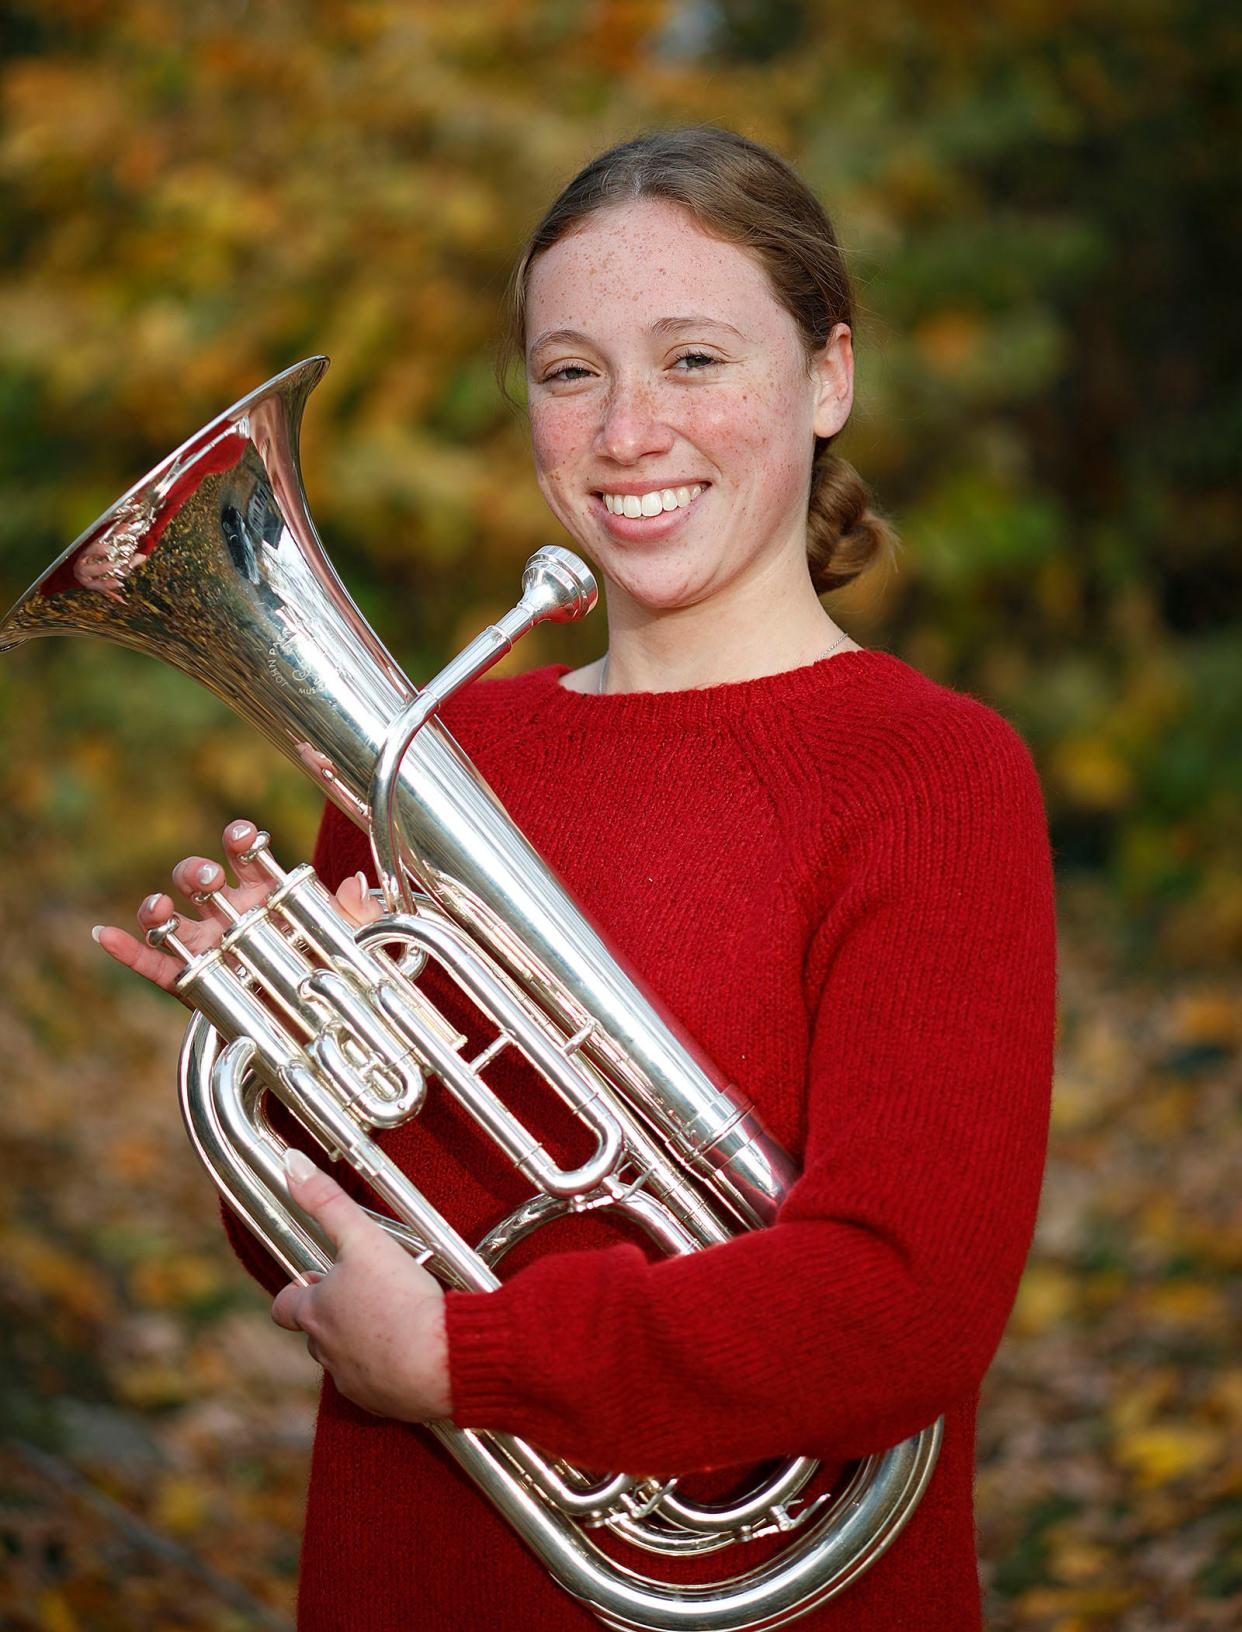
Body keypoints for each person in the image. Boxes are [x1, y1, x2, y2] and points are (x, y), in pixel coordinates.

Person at [95, 127, 1057, 1631]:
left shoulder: (930, 773)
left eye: (692, 359)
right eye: (569, 372)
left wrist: (466, 1364)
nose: (625, 432)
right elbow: (347, 1253)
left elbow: (900, 1302)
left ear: (826, 379)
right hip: (414, 1572)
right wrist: (292, 1062)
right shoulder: (426, 758)